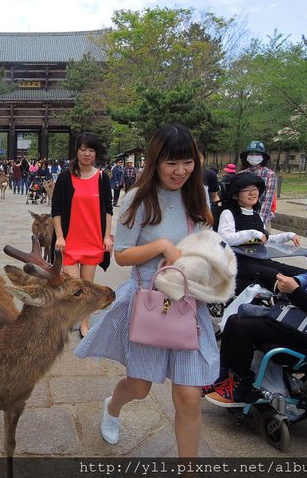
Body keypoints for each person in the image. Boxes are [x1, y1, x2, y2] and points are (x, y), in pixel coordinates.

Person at [75, 124, 215, 458]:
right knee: (139, 387)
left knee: (189, 398)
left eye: (187, 163)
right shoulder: (137, 197)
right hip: (150, 303)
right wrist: (162, 246)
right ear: (156, 161)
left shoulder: (199, 194)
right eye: (171, 163)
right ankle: (112, 406)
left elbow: (207, 239)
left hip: (189, 303)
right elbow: (122, 254)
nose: (180, 171)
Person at [205, 205, 307, 406]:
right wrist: (290, 281)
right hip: (299, 317)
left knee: (243, 327)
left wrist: (296, 292)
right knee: (235, 320)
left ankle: (242, 388)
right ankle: (223, 379)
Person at [51, 132, 113, 338]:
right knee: (72, 288)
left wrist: (107, 236)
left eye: (91, 150)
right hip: (70, 242)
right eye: (83, 149)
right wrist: (59, 236)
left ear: (96, 154)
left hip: (92, 240)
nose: (87, 154)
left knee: (87, 289)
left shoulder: (102, 178)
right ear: (76, 151)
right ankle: (68, 320)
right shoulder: (65, 177)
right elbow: (56, 209)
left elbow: (108, 209)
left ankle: (84, 324)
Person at [217, 173, 307, 293]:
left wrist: (288, 235)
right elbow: (225, 238)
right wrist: (252, 233)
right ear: (235, 195)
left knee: (303, 274)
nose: (252, 193)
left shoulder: (256, 215)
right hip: (239, 262)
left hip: (262, 260)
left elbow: (264, 239)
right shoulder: (228, 213)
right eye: (246, 190)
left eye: (255, 189)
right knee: (276, 275)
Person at [239, 141, 276, 227]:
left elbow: (268, 200)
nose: (254, 156)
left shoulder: (269, 175)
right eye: (251, 154)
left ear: (263, 157)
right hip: (242, 217)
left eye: (257, 154)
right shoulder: (241, 174)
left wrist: (259, 221)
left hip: (261, 216)